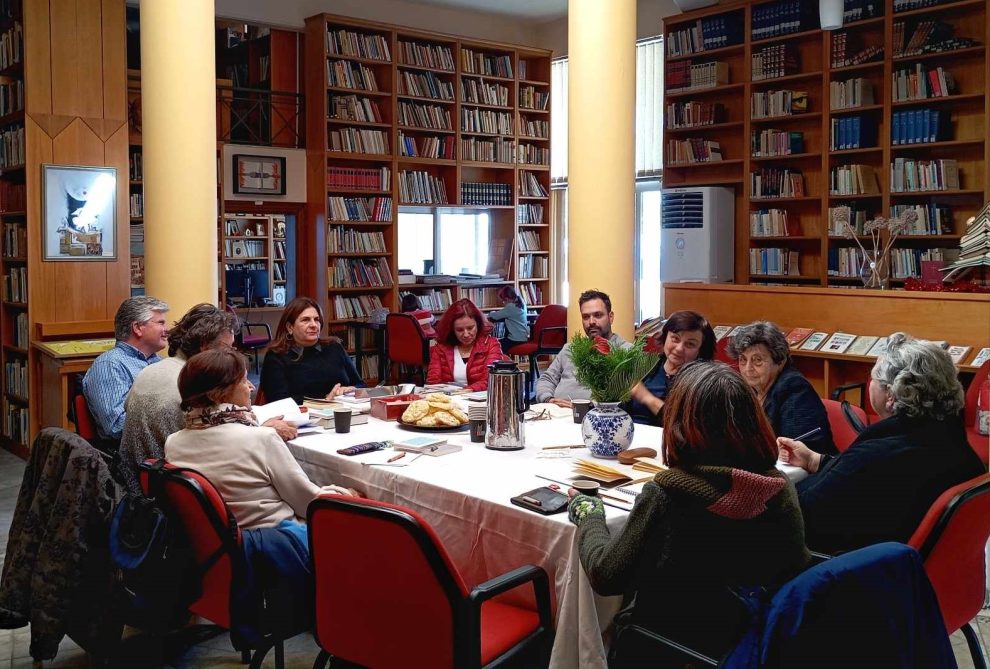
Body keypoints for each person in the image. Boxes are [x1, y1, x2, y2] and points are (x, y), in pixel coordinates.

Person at [568, 362, 810, 659]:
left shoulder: (668, 495)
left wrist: (589, 513)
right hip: (763, 639)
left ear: (678, 425)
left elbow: (606, 575)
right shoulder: (778, 486)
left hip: (670, 647)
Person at [779, 333, 985, 555]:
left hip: (843, 564)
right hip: (907, 562)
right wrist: (815, 460)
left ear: (891, 395)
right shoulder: (951, 442)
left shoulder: (875, 457)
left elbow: (798, 519)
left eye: (873, 378)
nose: (870, 384)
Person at [165, 348, 357, 536]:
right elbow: (309, 503)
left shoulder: (173, 443)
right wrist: (347, 494)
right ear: (218, 394)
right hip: (278, 541)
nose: (251, 387)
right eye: (243, 380)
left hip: (218, 544)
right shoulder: (261, 438)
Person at [728, 321, 835, 455]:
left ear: (779, 361)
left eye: (757, 360)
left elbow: (799, 452)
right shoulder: (748, 388)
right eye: (743, 359)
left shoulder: (795, 390)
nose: (748, 368)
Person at [82, 296, 169, 443]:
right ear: (137, 328)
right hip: (133, 452)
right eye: (161, 323)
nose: (167, 329)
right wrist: (171, 417)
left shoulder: (160, 362)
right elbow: (116, 426)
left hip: (165, 442)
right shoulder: (110, 365)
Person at [534, 289, 630, 407]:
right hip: (555, 411)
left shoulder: (626, 352)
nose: (591, 322)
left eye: (598, 315)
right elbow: (547, 379)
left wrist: (582, 407)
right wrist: (548, 399)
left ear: (611, 317)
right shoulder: (570, 349)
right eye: (585, 317)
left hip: (595, 415)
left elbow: (624, 396)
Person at [260, 297, 364, 404]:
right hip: (303, 413)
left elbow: (361, 385)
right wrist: (324, 399)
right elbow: (278, 402)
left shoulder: (334, 347)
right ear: (290, 327)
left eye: (317, 319)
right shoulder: (276, 356)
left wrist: (351, 390)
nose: (314, 325)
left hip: (345, 409)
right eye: (305, 320)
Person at [624, 310, 715, 425]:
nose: (679, 348)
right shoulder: (646, 364)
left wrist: (647, 398)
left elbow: (684, 426)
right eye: (675, 339)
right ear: (665, 336)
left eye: (690, 344)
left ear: (701, 349)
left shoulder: (704, 382)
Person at [426, 298, 505, 391]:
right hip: (449, 398)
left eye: (470, 328)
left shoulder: (491, 344)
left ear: (478, 324)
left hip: (480, 398)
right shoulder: (440, 348)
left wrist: (465, 391)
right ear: (451, 329)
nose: (466, 334)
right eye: (459, 330)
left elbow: (490, 380)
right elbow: (433, 382)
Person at [487, 286, 530, 352]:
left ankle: (501, 358)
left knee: (495, 345)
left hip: (515, 339)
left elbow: (495, 316)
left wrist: (491, 313)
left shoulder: (511, 307)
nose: (503, 303)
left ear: (507, 299)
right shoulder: (521, 303)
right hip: (523, 337)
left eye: (504, 300)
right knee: (500, 343)